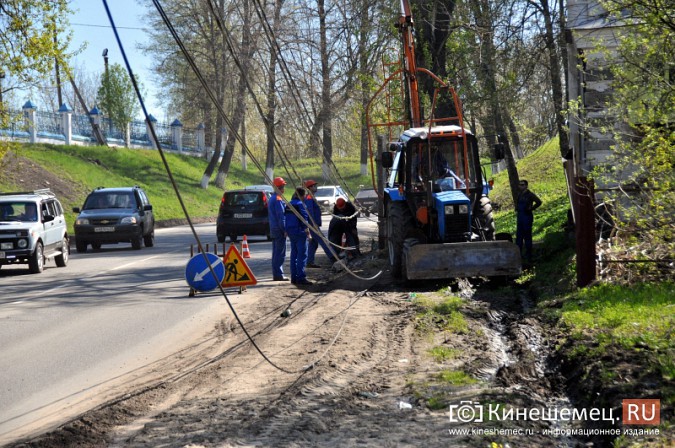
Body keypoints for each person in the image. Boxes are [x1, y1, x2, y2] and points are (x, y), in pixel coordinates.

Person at [304, 180, 335, 267]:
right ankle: (333, 257)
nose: (315, 187)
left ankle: (309, 261)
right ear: (310, 188)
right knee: (323, 241)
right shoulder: (309, 198)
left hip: (313, 224)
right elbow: (310, 212)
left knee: (313, 244)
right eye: (314, 186)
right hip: (313, 225)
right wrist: (314, 224)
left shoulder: (311, 197)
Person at [285, 187, 312, 285]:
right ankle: (301, 277)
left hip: (291, 232)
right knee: (302, 255)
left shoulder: (289, 204)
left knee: (294, 255)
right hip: (300, 232)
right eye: (305, 195)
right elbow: (304, 219)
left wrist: (286, 230)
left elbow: (286, 218)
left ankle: (293, 277)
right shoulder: (301, 205)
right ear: (301, 195)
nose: (305, 197)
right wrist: (308, 233)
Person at [515, 179, 542, 263]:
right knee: (519, 236)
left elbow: (539, 202)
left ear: (526, 186)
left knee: (527, 236)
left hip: (527, 217)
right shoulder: (519, 194)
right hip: (520, 217)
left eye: (522, 184)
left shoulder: (530, 195)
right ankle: (519, 255)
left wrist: (531, 208)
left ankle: (529, 255)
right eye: (520, 184)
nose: (521, 186)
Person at [269, 177, 289, 281]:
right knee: (280, 253)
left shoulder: (272, 198)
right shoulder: (278, 199)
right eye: (283, 186)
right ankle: (278, 274)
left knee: (276, 252)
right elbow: (281, 217)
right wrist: (285, 229)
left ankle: (276, 273)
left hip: (273, 229)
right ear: (281, 187)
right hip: (279, 230)